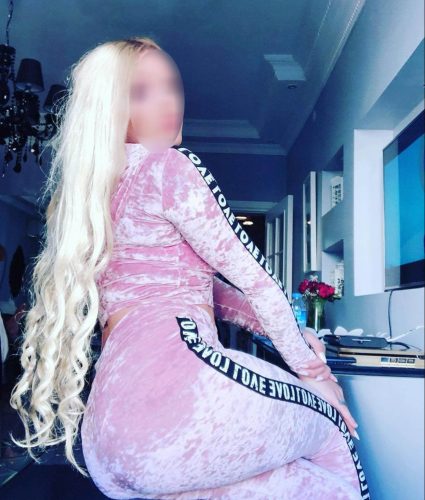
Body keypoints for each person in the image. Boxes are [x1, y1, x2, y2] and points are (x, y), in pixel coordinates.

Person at [8, 37, 370, 499]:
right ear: (110, 108)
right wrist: (315, 373)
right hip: (179, 405)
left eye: (172, 86)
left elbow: (219, 296)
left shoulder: (96, 201)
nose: (168, 103)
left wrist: (298, 337)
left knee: (293, 483)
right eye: (141, 92)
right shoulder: (168, 167)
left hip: (108, 441)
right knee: (334, 426)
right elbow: (258, 281)